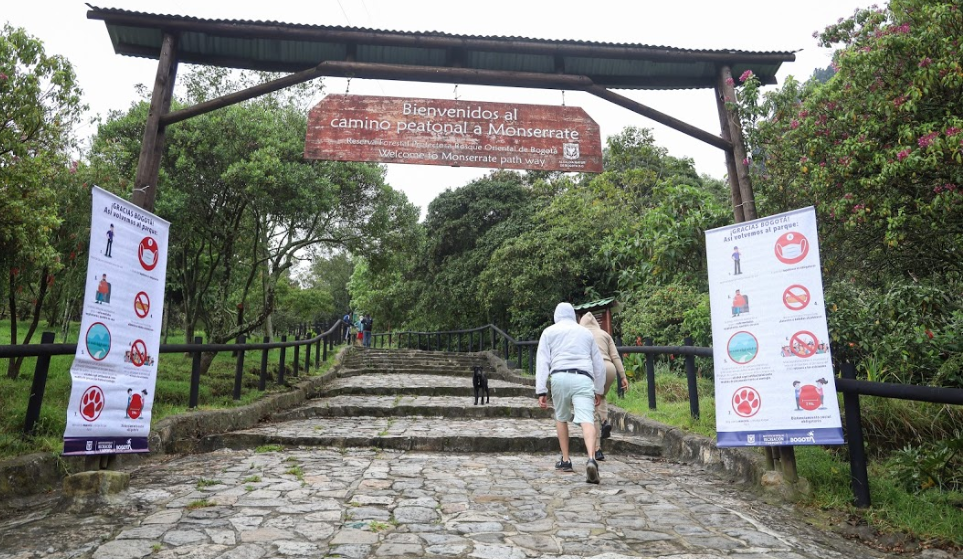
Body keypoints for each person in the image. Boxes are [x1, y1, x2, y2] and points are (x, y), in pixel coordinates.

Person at [536, 302, 606, 484]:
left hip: (559, 377)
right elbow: (598, 364)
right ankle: (591, 458)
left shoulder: (549, 332)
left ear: (556, 316)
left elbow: (542, 361)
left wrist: (541, 390)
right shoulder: (585, 333)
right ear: (574, 316)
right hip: (583, 377)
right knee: (587, 420)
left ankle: (566, 460)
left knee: (561, 416)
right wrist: (599, 389)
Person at [578, 312, 629, 462]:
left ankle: (597, 449)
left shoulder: (581, 334)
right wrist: (623, 376)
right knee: (601, 395)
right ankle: (605, 420)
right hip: (610, 369)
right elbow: (615, 356)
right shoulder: (605, 334)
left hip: (593, 369)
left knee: (591, 408)